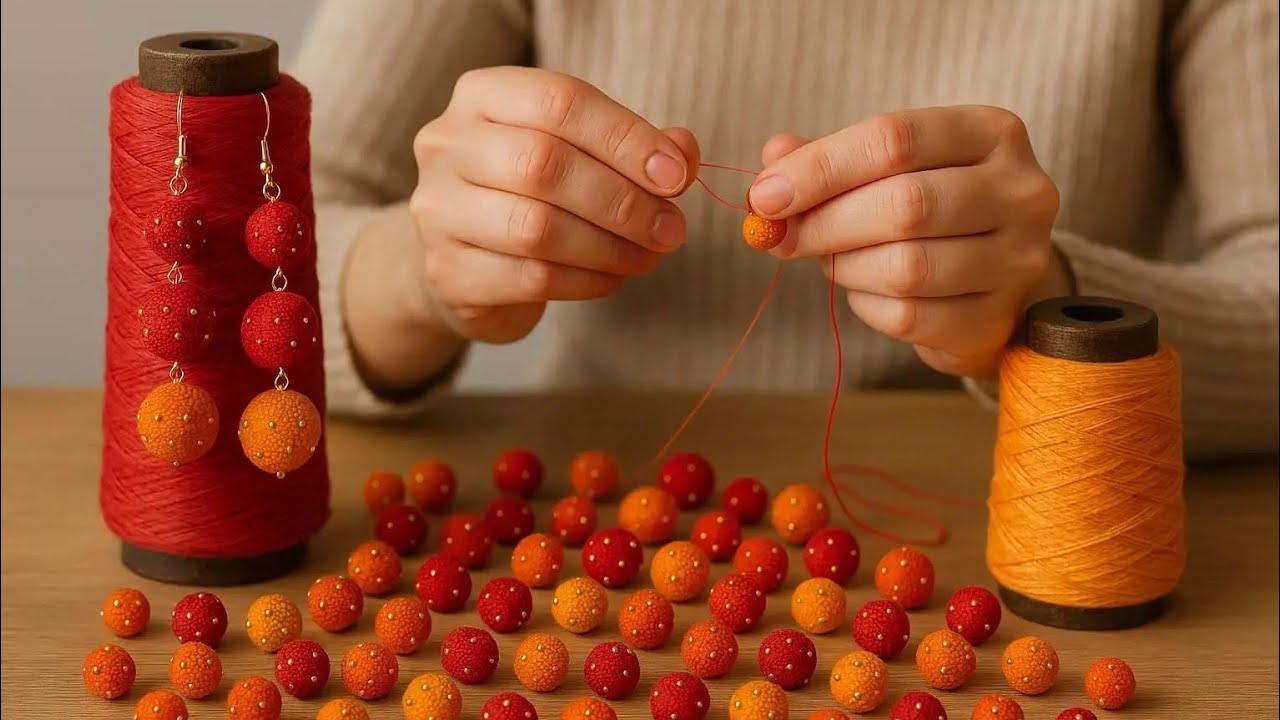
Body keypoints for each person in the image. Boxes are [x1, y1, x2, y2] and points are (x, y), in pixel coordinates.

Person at [291, 0, 1277, 459]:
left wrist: (1053, 308)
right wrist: (419, 276)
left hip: (1016, 535)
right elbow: (251, 245)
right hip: (610, 505)